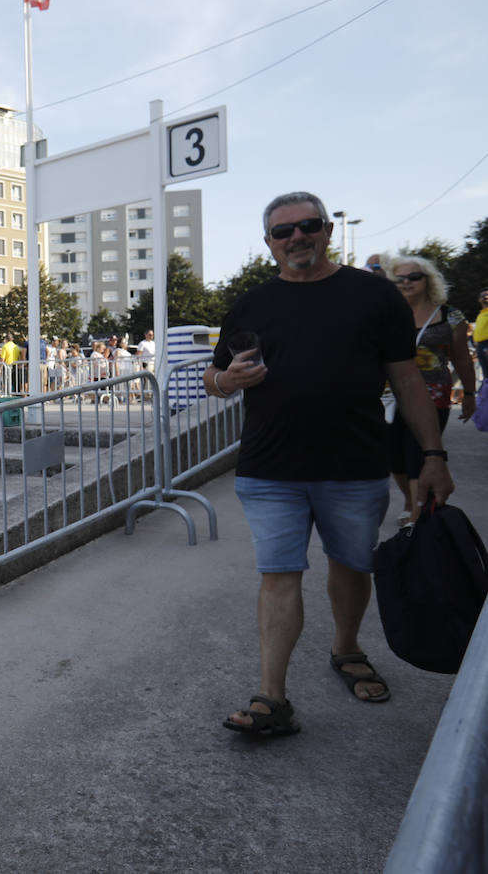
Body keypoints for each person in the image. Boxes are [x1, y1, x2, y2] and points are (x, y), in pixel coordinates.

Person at [206, 191, 455, 736]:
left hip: (355, 464)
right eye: (283, 231)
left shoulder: (373, 297)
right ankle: (273, 697)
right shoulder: (250, 304)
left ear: (326, 230)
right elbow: (214, 375)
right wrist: (227, 381)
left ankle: (346, 649)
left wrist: (432, 455)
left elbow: (407, 378)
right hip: (269, 469)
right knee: (278, 574)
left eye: (308, 225)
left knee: (351, 564)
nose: (297, 237)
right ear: (268, 242)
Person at [384, 255, 476, 525]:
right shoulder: (385, 314)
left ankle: (417, 514)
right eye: (399, 278)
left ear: (428, 280)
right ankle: (411, 500)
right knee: (394, 458)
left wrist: (469, 395)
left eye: (414, 276)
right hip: (389, 395)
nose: (406, 282)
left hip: (434, 395)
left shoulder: (450, 316)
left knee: (418, 452)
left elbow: (462, 359)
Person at [474, 288, 488, 377]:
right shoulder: (480, 315)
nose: (486, 297)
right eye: (483, 296)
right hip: (480, 346)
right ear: (479, 300)